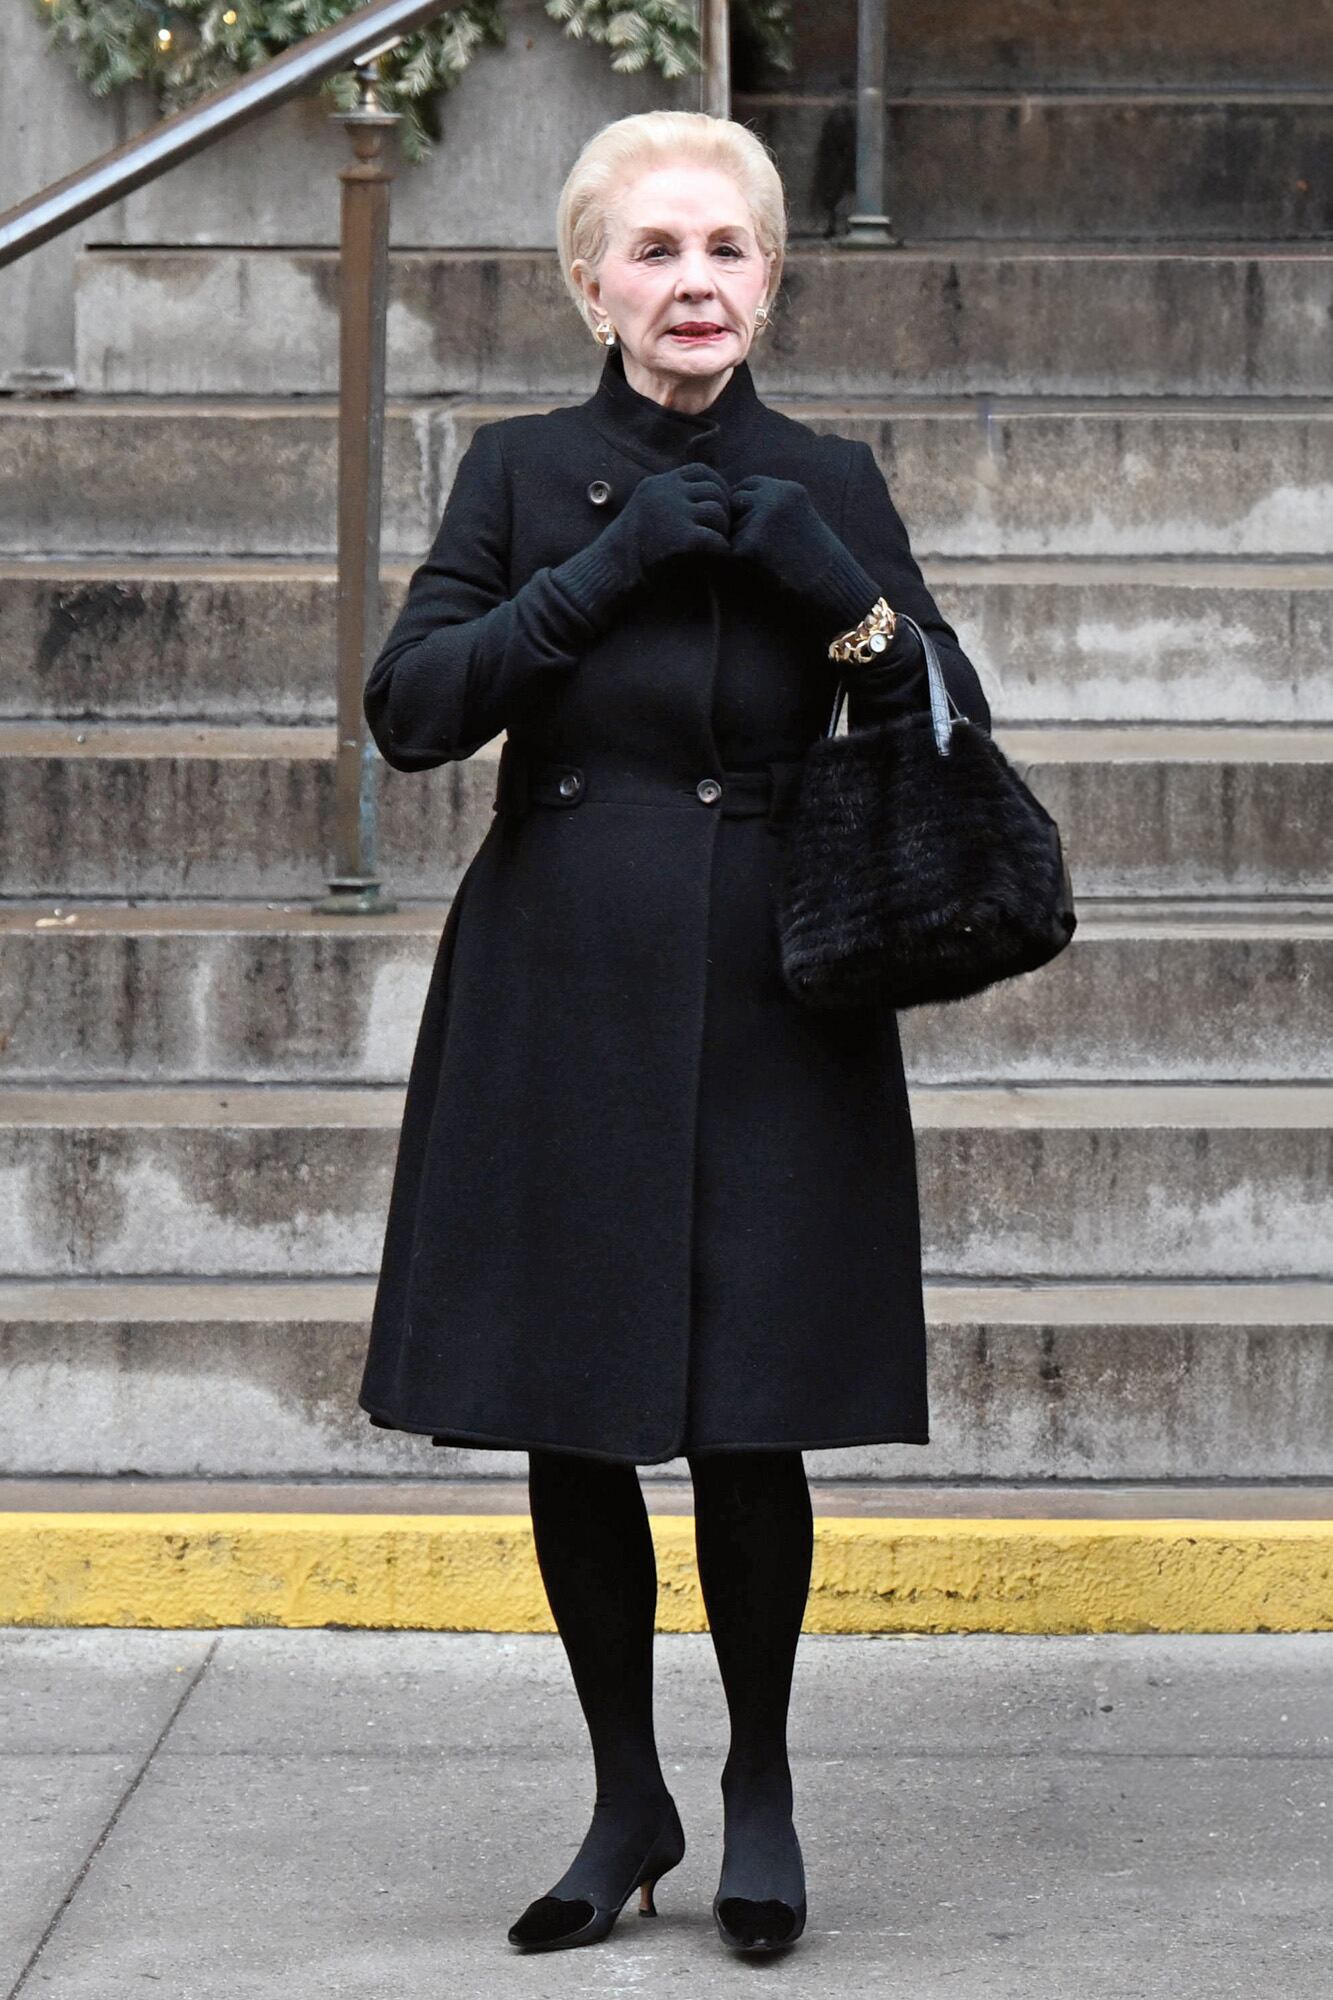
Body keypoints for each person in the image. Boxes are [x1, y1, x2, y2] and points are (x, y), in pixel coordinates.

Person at [357, 109, 991, 1956]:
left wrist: (839, 595)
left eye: (726, 249)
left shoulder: (831, 475)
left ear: (769, 280)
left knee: (749, 1422)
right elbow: (409, 710)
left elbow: (947, 720)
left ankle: (759, 1785)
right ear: (590, 284)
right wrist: (595, 573)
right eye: (654, 250)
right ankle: (623, 1793)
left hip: (779, 982)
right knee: (575, 1411)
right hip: (558, 974)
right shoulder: (518, 467)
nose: (692, 279)